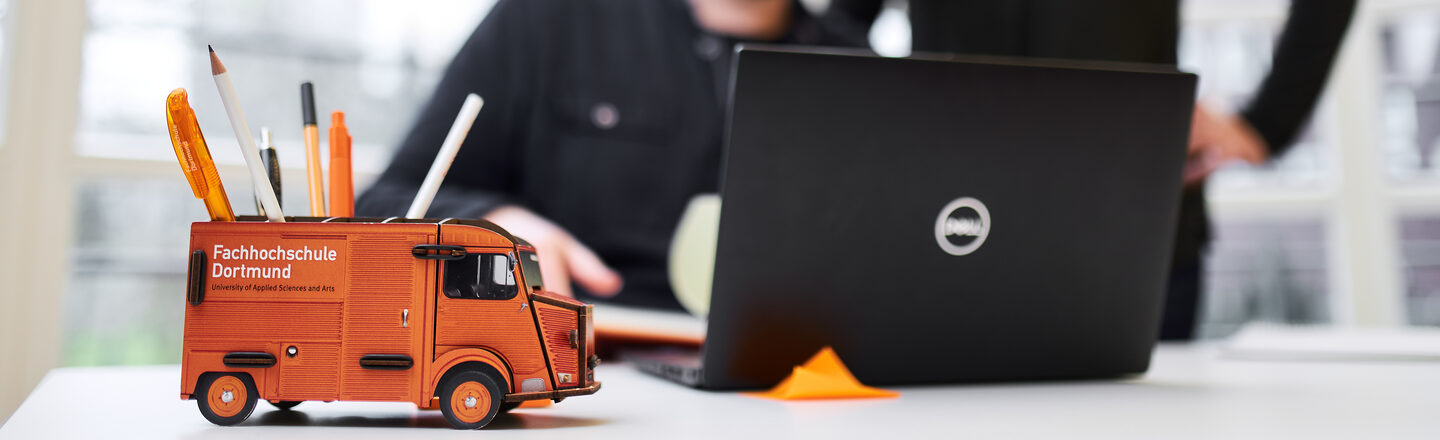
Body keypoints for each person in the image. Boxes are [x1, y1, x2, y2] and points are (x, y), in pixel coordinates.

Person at [823, 0, 1356, 340]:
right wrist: (891, 109)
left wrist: (1266, 124)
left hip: (1131, 245)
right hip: (958, 238)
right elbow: (844, 20)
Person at [356, 0, 861, 310]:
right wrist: (491, 222)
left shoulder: (858, 68)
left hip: (784, 379)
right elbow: (385, 201)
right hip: (581, 355)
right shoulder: (548, 17)